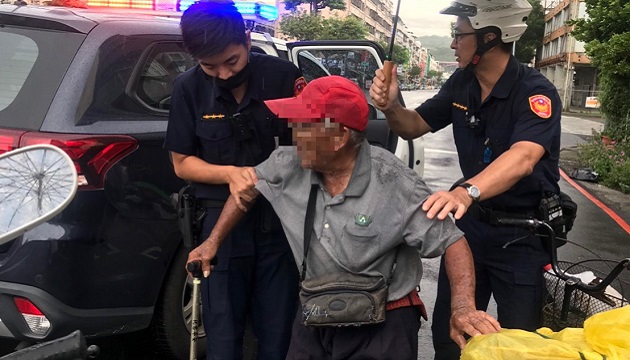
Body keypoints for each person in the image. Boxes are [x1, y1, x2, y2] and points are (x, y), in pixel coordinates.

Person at [188, 76, 501, 360]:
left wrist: (462, 308)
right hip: (316, 311)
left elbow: (453, 241)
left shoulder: (395, 183)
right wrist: (212, 242)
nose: (293, 134)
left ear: (338, 137)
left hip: (384, 322)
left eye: (303, 125)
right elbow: (245, 190)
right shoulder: (286, 163)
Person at [369, 1, 562, 359]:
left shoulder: (535, 92)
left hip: (520, 235)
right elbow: (413, 126)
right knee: (450, 335)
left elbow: (523, 158)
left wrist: (467, 192)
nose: (454, 44)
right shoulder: (462, 83)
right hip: (469, 231)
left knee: (520, 344)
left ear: (490, 37)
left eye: (460, 36)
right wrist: (390, 106)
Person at [163, 1, 306, 359]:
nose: (224, 74)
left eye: (232, 61)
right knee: (223, 337)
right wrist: (230, 174)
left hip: (279, 224)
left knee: (278, 334)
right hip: (220, 230)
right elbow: (182, 163)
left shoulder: (284, 78)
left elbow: (309, 149)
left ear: (246, 37)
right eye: (209, 66)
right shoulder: (188, 88)